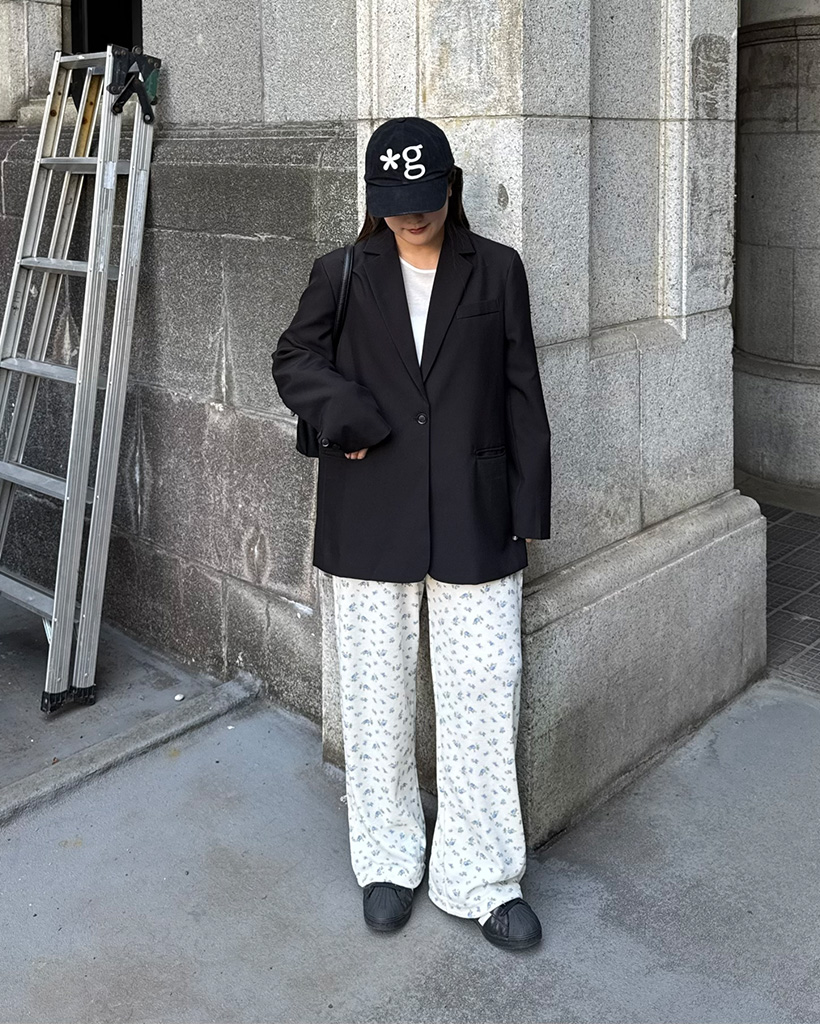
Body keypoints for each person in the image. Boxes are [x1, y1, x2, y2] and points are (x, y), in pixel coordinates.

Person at [271, 116, 551, 951]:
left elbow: (523, 394)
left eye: (424, 196)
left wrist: (525, 515)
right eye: (395, 200)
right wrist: (349, 416)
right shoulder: (341, 272)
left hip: (475, 516)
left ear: (450, 187)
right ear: (374, 198)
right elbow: (294, 360)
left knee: (482, 701)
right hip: (370, 516)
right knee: (376, 701)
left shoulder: (497, 269)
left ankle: (480, 877)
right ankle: (388, 861)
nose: (411, 214)